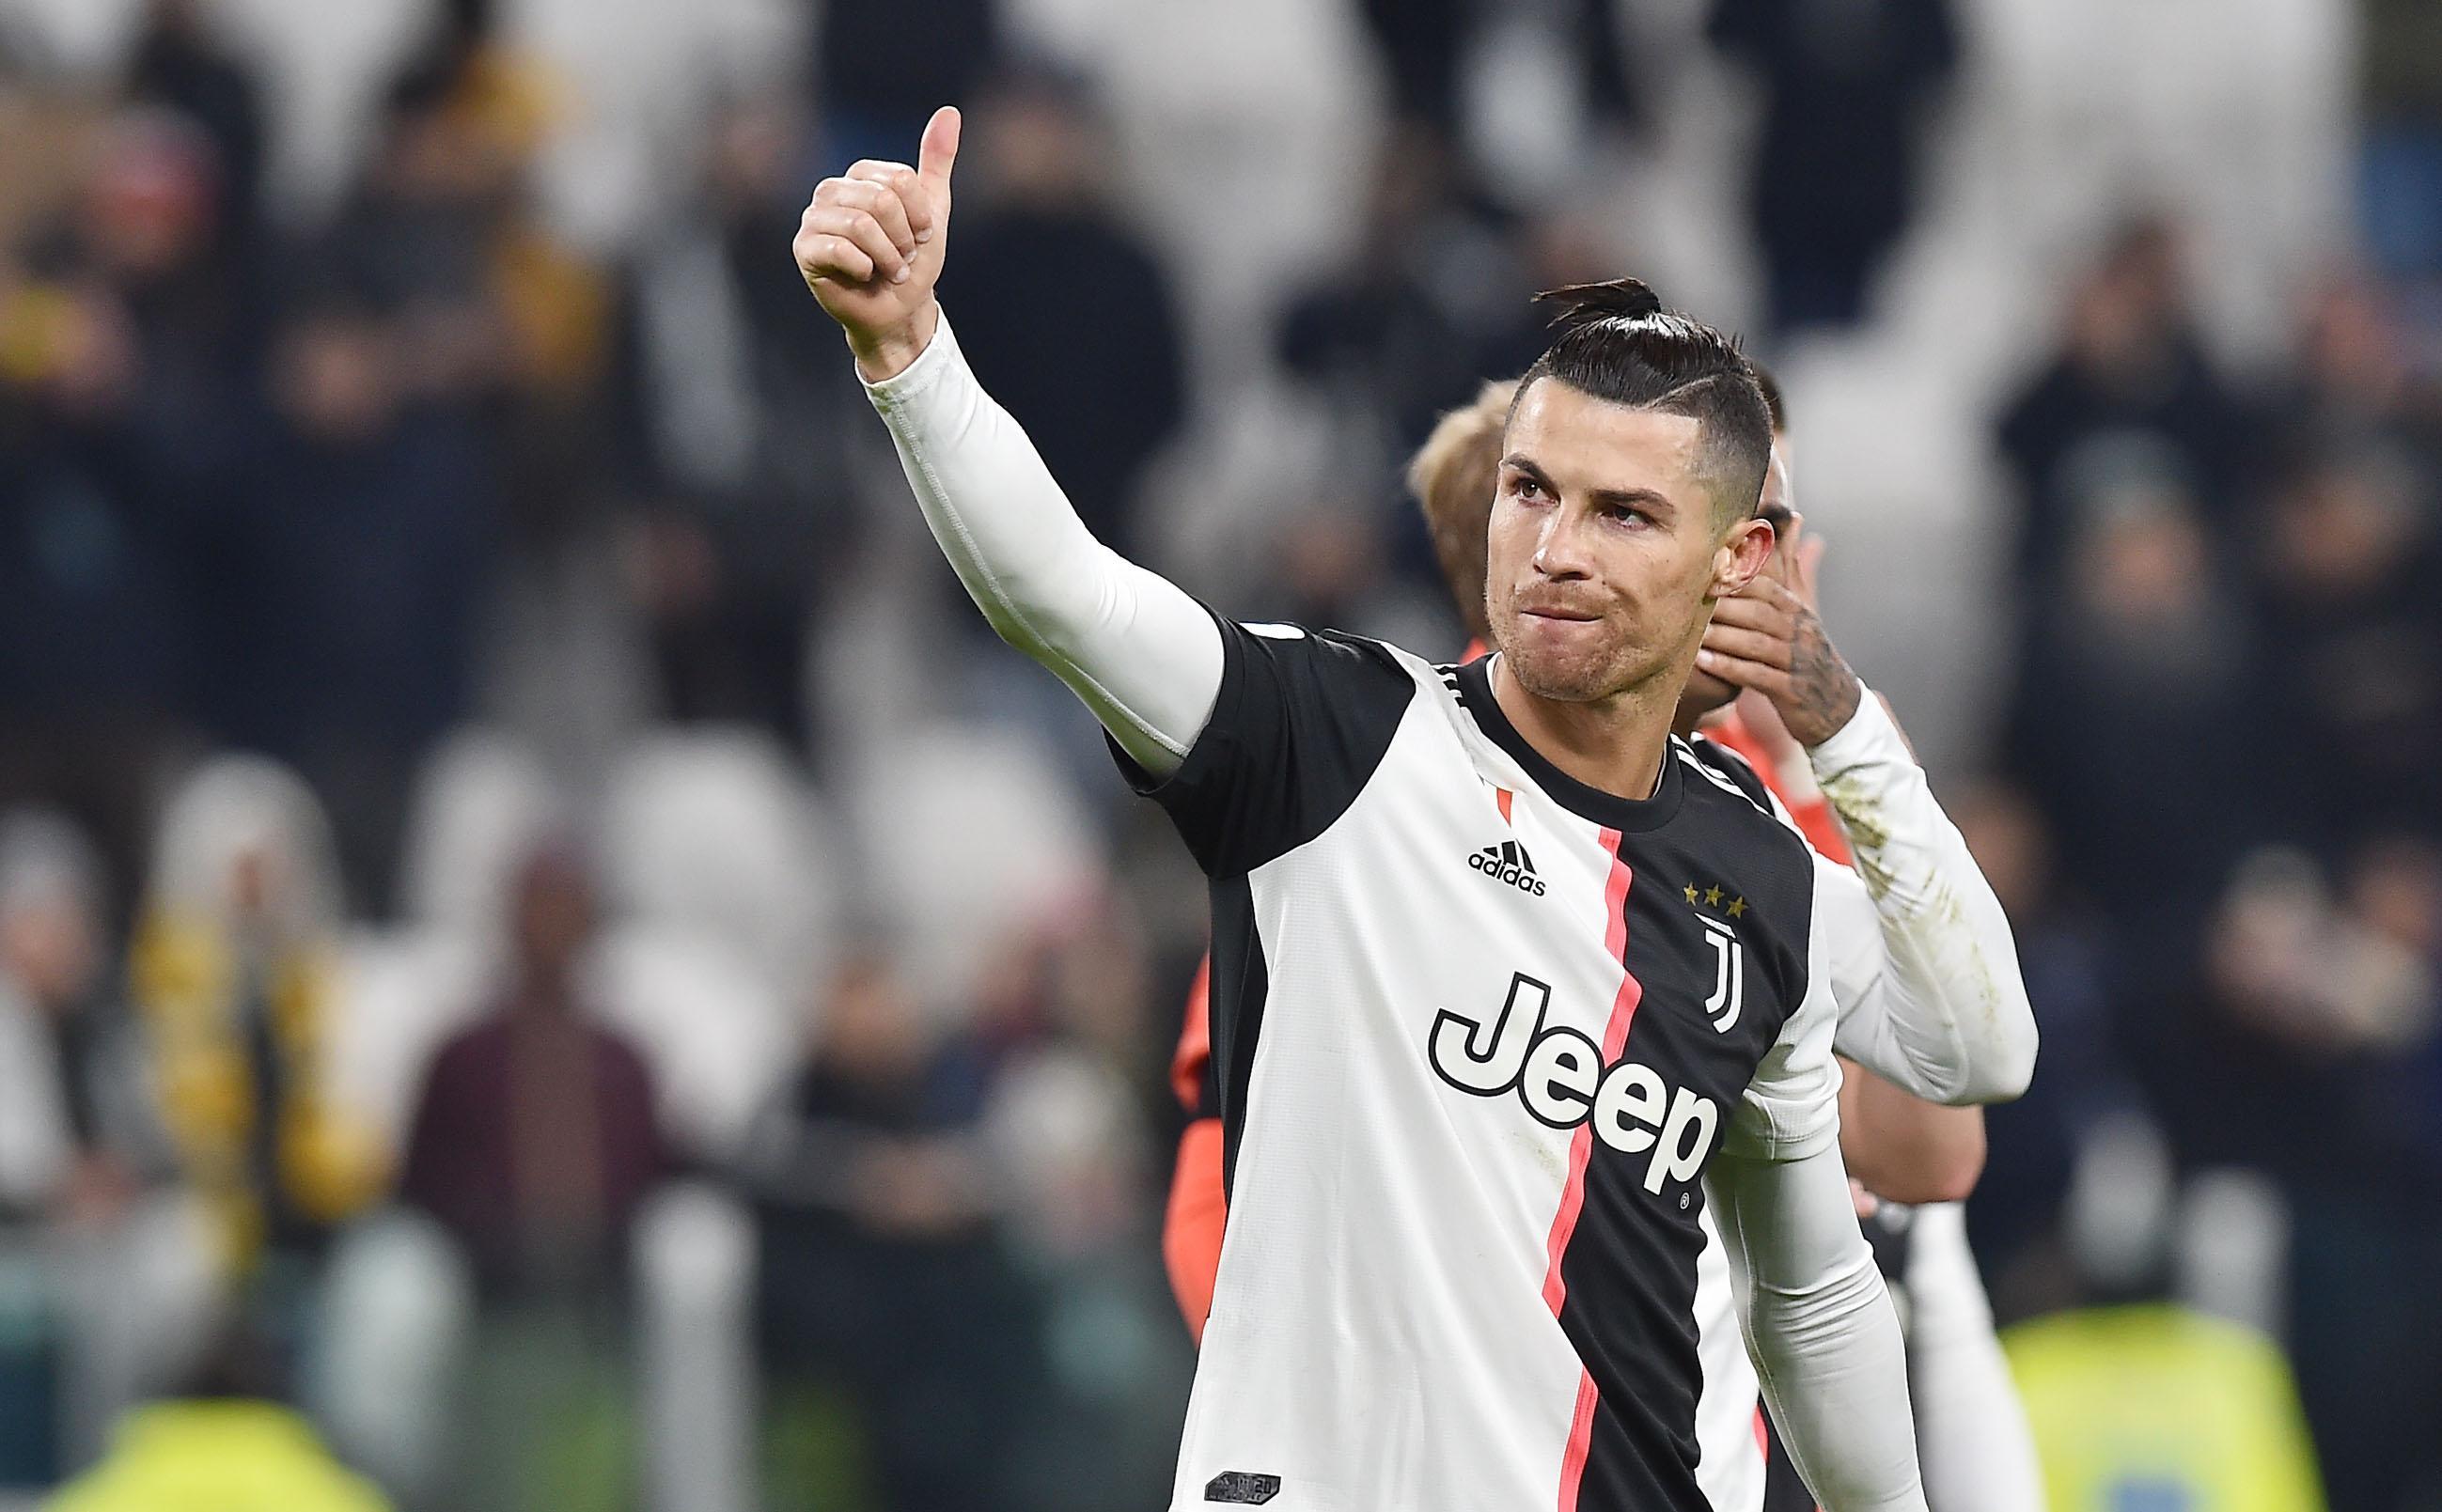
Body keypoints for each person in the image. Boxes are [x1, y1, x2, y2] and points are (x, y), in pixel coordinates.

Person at [793, 108, 2034, 1509]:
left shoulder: (1758, 869)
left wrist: (1842, 725)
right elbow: (1061, 592)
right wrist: (909, 357)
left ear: (1741, 559)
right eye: (1529, 491)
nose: (1556, 549)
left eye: (1621, 513)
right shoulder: (1331, 743)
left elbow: (1932, 1115)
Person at [1173, 369, 2039, 1511]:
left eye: (1771, 528)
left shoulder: (1788, 841)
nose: (1768, 567)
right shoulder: (1365, 819)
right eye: (1735, 524)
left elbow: (1934, 1156)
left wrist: (1829, 764)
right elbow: (1221, 1204)